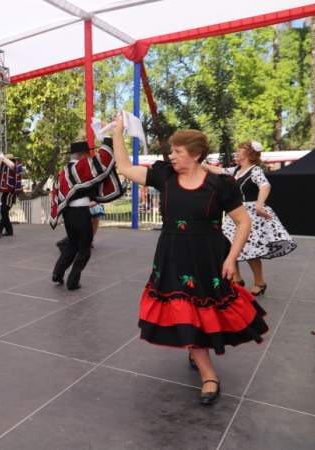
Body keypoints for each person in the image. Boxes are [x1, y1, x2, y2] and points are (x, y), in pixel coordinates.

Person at [110, 113, 268, 405]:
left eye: (178, 152)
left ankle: (196, 349)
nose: (171, 156)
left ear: (195, 155)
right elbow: (123, 167)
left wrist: (232, 259)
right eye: (172, 151)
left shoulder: (219, 185)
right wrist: (118, 133)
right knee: (183, 307)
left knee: (205, 309)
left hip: (209, 257)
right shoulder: (164, 176)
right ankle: (209, 375)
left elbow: (243, 222)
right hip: (173, 256)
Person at [203, 141, 296, 296]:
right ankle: (237, 279)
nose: (236, 152)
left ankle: (260, 282)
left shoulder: (255, 170)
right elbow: (220, 170)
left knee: (250, 251)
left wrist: (260, 206)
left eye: (239, 150)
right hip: (236, 212)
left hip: (250, 214)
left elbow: (265, 186)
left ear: (248, 154)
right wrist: (203, 166)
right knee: (230, 246)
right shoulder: (236, 170)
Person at [50, 137, 124, 290]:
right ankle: (73, 282)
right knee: (84, 249)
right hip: (80, 214)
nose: (90, 157)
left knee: (72, 244)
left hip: (68, 213)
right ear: (81, 154)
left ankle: (57, 273)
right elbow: (102, 162)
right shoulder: (80, 166)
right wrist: (108, 141)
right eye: (87, 154)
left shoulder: (63, 170)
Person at [0, 152, 24, 238]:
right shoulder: (4, 166)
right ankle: (9, 230)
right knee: (4, 212)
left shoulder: (14, 165)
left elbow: (12, 166)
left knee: (4, 211)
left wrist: (3, 157)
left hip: (10, 193)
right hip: (4, 192)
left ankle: (0, 230)